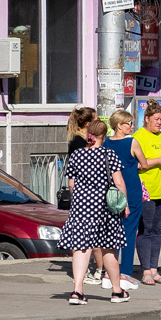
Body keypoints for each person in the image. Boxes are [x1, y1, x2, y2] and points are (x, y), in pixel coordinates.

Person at [60, 120, 130, 304]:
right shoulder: (109, 154)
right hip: (104, 208)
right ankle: (116, 291)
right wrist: (125, 205)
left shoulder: (76, 155)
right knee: (108, 248)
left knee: (81, 248)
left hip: (81, 208)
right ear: (104, 136)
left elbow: (71, 184)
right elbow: (119, 182)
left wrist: (81, 200)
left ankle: (77, 291)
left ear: (88, 134)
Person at [131, 101, 161, 285]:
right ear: (146, 119)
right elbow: (139, 164)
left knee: (157, 230)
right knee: (146, 229)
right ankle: (145, 271)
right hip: (146, 190)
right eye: (156, 119)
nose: (159, 123)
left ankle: (155, 269)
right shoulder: (138, 137)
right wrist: (160, 160)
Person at [104, 110, 142, 289]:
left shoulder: (105, 143)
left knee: (111, 232)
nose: (132, 126)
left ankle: (108, 273)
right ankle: (125, 273)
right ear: (119, 125)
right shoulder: (132, 142)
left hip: (109, 192)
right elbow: (145, 163)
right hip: (131, 189)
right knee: (129, 231)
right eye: (129, 123)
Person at [64, 105, 102, 280]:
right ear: (87, 123)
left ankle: (87, 269)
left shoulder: (78, 140)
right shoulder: (82, 143)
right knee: (89, 235)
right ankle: (92, 270)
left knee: (82, 234)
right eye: (96, 119)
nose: (99, 121)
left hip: (80, 194)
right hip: (86, 194)